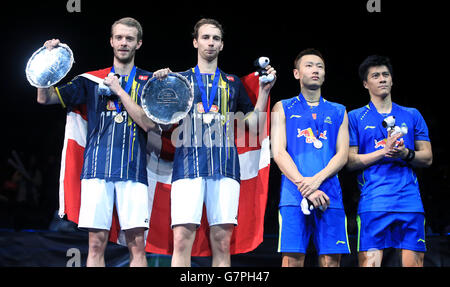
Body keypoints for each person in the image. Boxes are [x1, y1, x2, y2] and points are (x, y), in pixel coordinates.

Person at [36, 17, 158, 267]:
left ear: (139, 44)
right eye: (120, 38)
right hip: (96, 171)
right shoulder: (90, 80)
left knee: (137, 247)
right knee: (94, 245)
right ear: (111, 41)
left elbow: (148, 123)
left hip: (133, 171)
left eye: (130, 39)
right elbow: (44, 98)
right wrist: (45, 63)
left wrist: (120, 90)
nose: (124, 43)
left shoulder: (149, 82)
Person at [156, 18, 276, 267]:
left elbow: (253, 126)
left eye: (216, 39)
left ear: (222, 45)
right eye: (206, 37)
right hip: (187, 168)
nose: (211, 43)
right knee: (181, 240)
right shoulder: (180, 80)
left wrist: (264, 93)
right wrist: (160, 87)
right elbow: (162, 124)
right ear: (195, 42)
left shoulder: (233, 83)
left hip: (225, 168)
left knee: (222, 243)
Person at [347, 55, 433, 267]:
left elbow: (428, 157)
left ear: (392, 80)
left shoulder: (412, 115)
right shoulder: (355, 117)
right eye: (375, 76)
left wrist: (405, 154)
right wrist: (383, 152)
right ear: (366, 84)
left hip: (409, 202)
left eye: (386, 74)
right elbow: (349, 162)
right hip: (374, 202)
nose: (382, 79)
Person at [271, 48, 350, 267]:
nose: (315, 70)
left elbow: (342, 154)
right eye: (309, 65)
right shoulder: (282, 107)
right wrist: (307, 187)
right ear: (296, 73)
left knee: (331, 262)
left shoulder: (339, 110)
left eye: (320, 66)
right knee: (292, 261)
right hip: (293, 196)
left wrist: (316, 182)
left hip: (330, 194)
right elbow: (278, 152)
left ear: (324, 74)